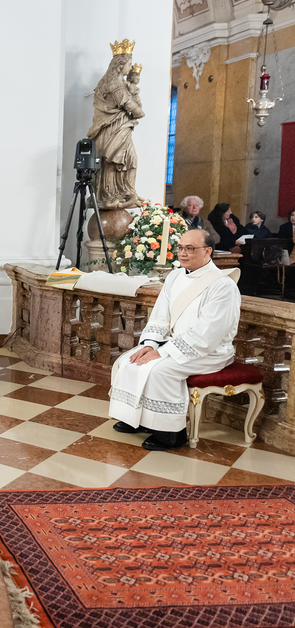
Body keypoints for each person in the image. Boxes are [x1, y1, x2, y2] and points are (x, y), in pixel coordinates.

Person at [108, 229, 241, 451]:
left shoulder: (222, 285)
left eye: (190, 248)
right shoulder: (175, 276)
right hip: (174, 342)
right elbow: (160, 315)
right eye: (180, 248)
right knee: (128, 360)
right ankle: (137, 419)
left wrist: (162, 352)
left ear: (208, 251)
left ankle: (171, 434)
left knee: (160, 370)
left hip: (210, 351)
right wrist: (150, 344)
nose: (183, 253)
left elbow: (207, 333)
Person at [87, 51, 145, 210]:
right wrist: (139, 111)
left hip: (121, 128)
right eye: (128, 64)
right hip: (112, 129)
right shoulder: (114, 84)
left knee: (130, 159)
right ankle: (108, 194)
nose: (130, 68)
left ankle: (127, 191)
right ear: (120, 65)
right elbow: (131, 106)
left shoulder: (122, 84)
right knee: (113, 161)